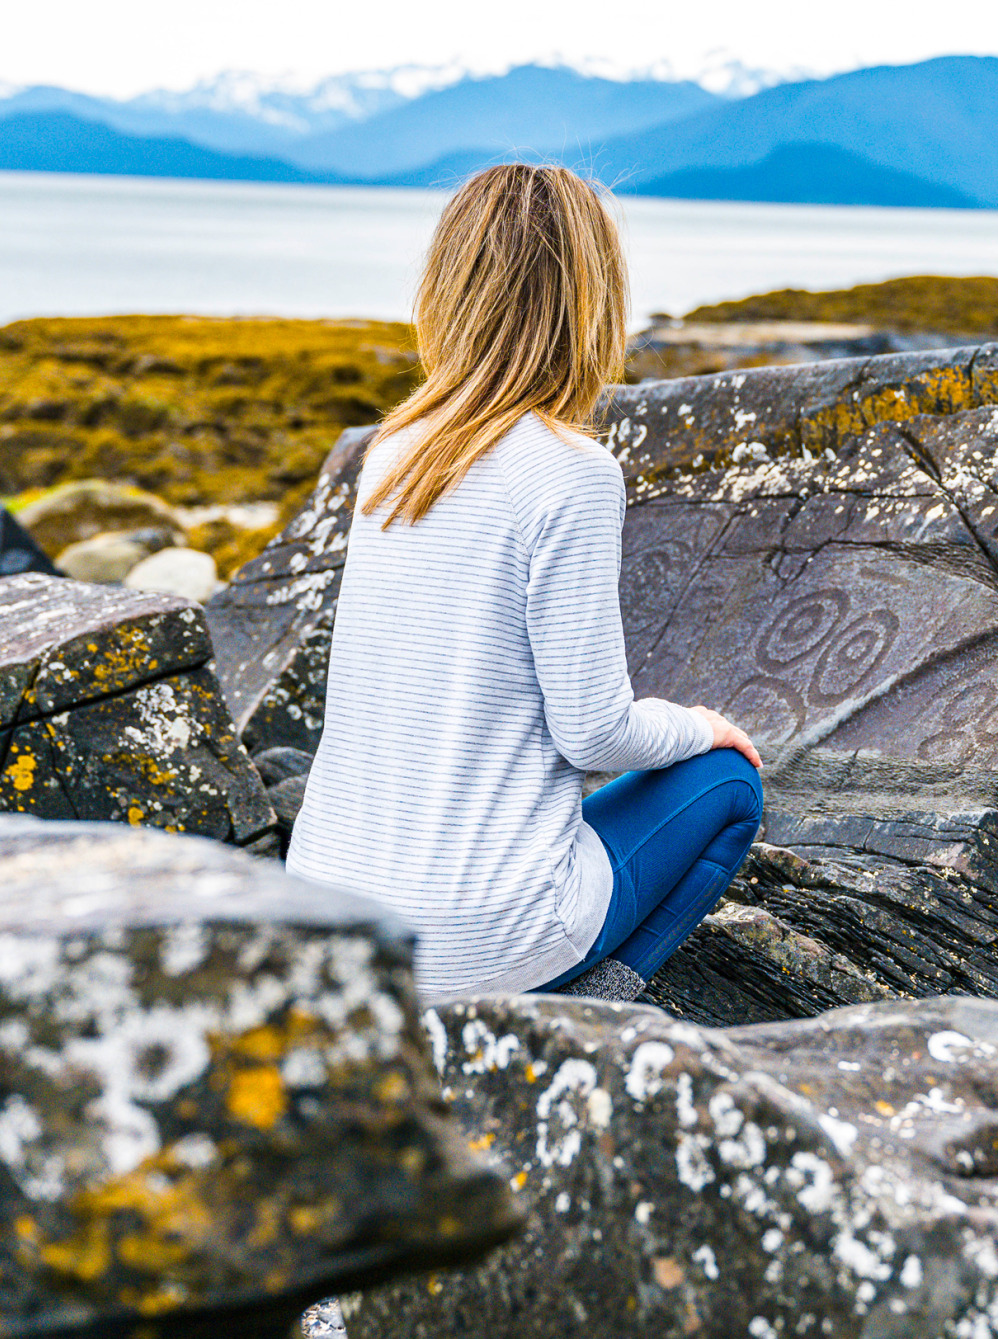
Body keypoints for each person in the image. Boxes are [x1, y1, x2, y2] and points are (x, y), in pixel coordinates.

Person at [286, 164, 765, 1003]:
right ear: (591, 299)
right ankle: (586, 1009)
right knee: (729, 784)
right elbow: (594, 734)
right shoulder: (571, 471)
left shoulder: (391, 454)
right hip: (476, 940)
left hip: (329, 921)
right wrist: (698, 725)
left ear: (449, 289)